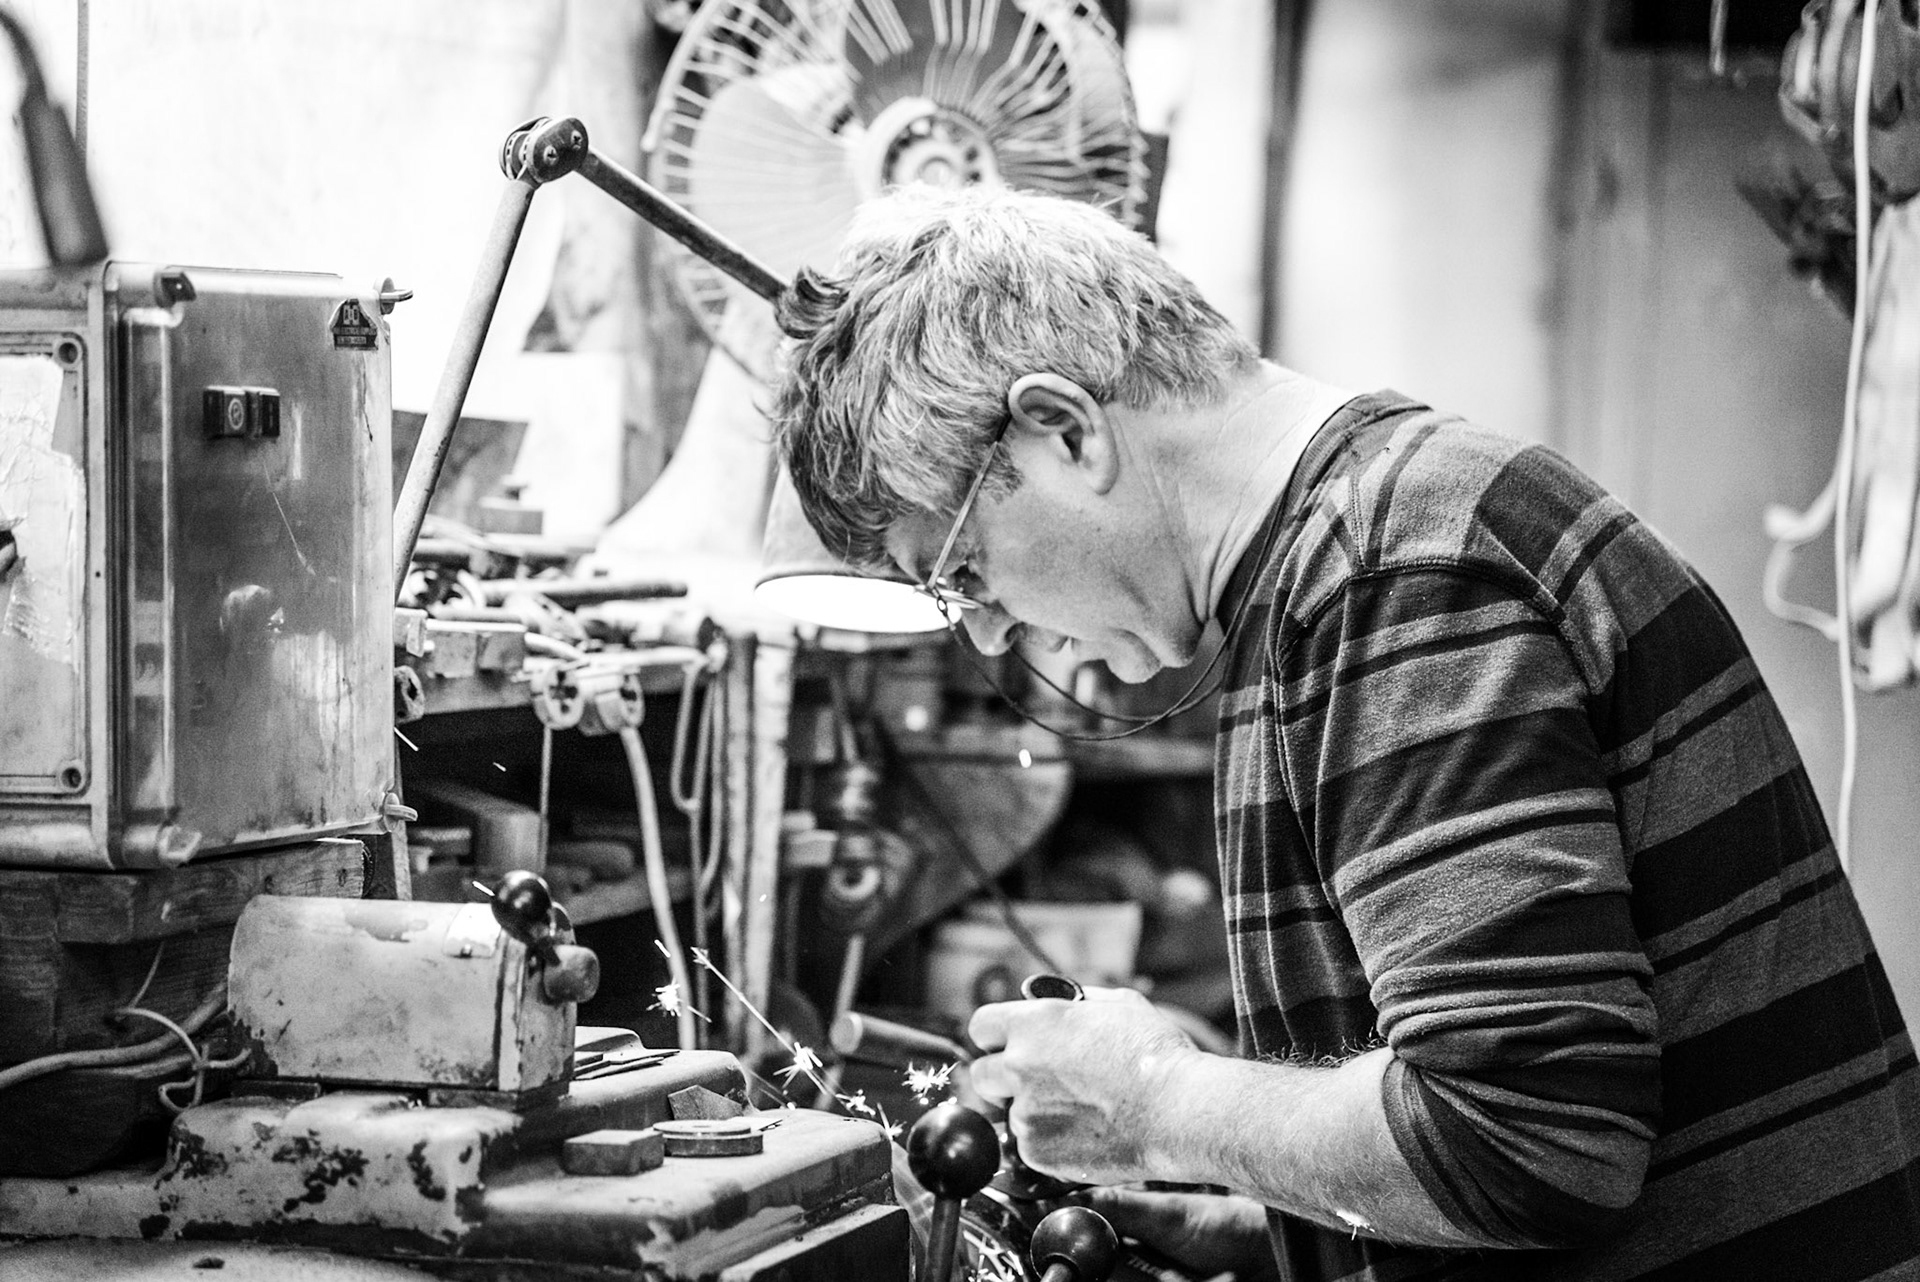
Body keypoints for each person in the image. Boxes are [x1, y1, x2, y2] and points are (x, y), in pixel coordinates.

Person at [767, 183, 1920, 1280]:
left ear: (1064, 431)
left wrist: (1160, 1103)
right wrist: (1281, 1225)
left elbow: (1531, 1141)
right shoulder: (1341, 567)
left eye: (963, 570)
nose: (982, 636)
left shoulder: (1400, 572)